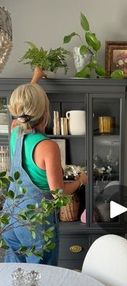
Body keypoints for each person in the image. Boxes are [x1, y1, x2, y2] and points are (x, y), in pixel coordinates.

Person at [3, 80, 87, 265]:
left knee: (14, 276)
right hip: (35, 224)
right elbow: (58, 194)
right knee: (42, 278)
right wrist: (81, 180)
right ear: (45, 112)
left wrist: (34, 79)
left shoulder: (15, 131)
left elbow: (24, 111)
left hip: (12, 218)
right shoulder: (48, 146)